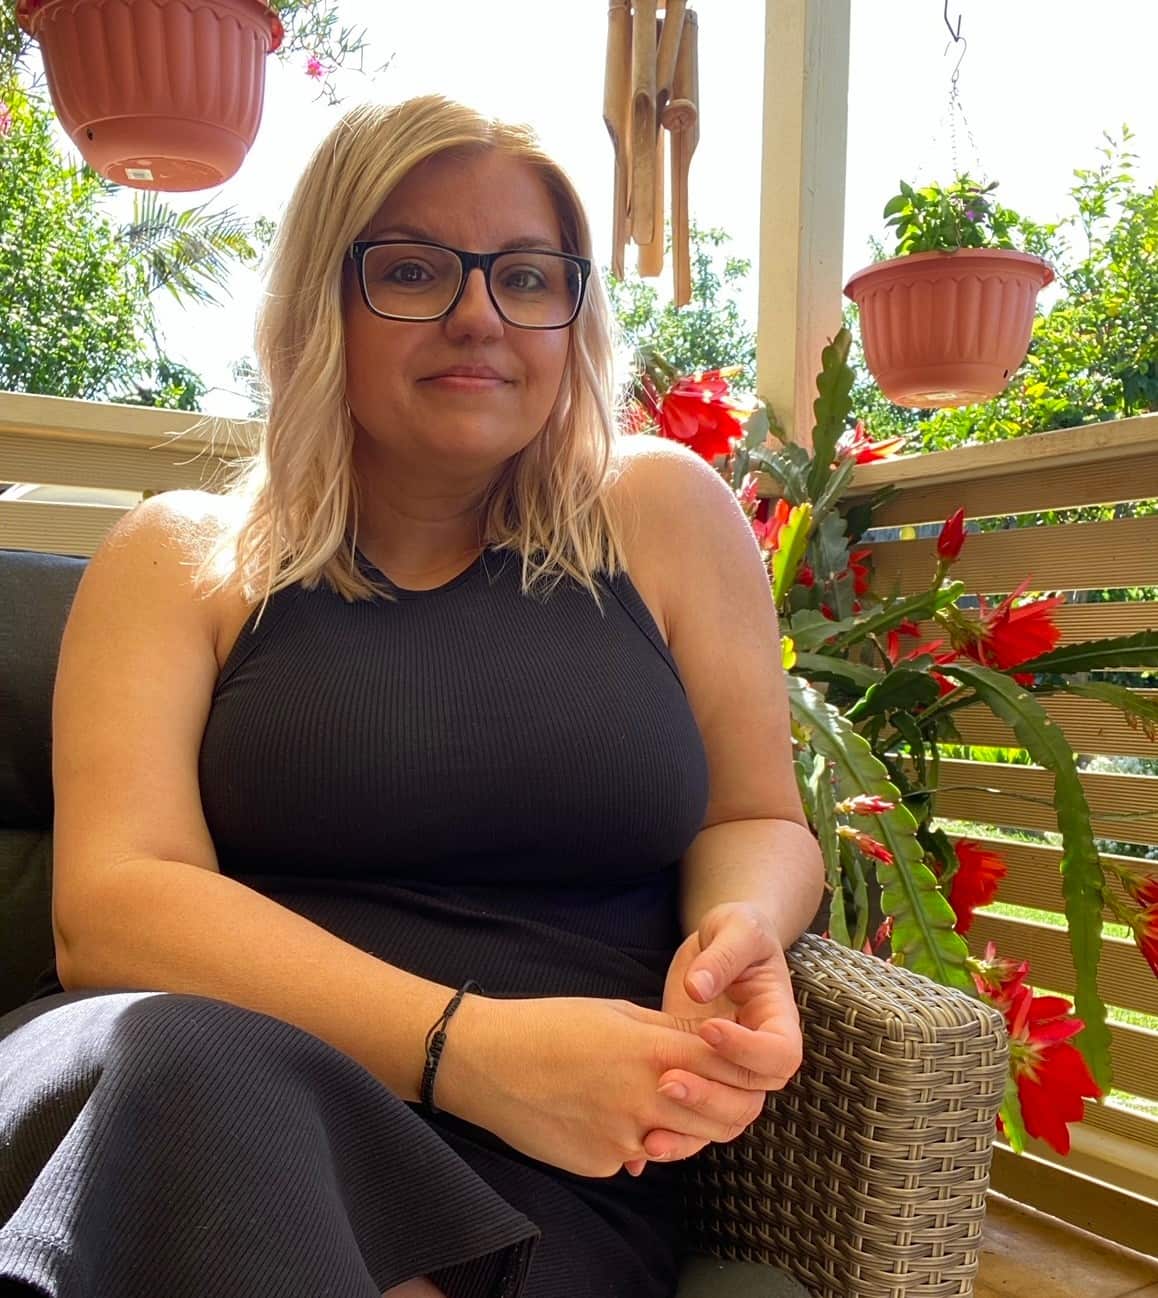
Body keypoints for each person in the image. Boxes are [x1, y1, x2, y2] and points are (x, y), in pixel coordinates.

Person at [0, 96, 824, 1298]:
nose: (480, 312)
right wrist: (471, 1048)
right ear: (320, 300)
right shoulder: (182, 556)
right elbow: (114, 910)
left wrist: (740, 928)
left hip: (553, 1152)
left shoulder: (661, 517)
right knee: (188, 1069)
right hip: (160, 1090)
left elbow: (756, 814)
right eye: (414, 269)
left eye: (530, 276)